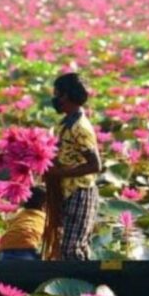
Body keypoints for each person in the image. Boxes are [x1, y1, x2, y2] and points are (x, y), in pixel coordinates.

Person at [45, 73, 102, 261]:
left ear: (66, 96)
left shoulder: (80, 127)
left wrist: (61, 172)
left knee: (72, 249)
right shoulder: (63, 124)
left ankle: (79, 288)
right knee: (64, 247)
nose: (54, 98)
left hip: (80, 191)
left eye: (57, 94)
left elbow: (95, 165)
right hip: (66, 191)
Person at [0, 186, 46, 262]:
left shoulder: (20, 215)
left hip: (5, 248)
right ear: (44, 205)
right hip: (27, 248)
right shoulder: (44, 218)